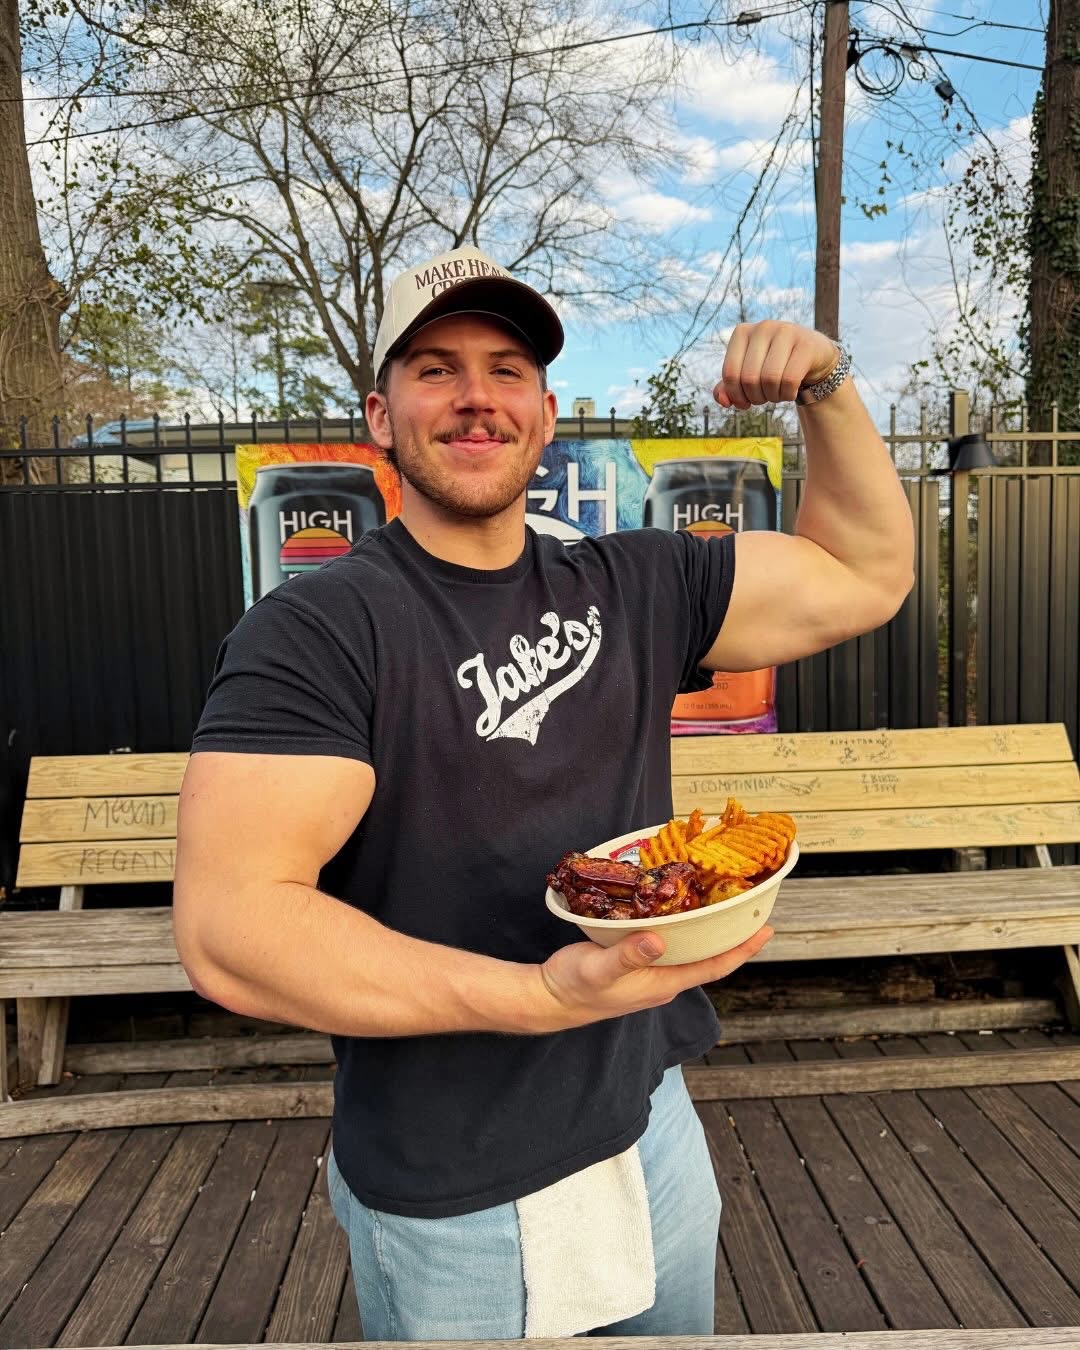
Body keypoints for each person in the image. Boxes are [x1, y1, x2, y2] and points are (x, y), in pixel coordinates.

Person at [173, 245, 914, 1340]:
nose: (476, 396)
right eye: (435, 368)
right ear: (380, 416)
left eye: (506, 368)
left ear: (546, 410)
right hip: (451, 1187)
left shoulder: (634, 583)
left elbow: (866, 575)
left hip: (647, 1123)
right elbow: (232, 925)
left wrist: (826, 387)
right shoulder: (321, 630)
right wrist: (540, 999)